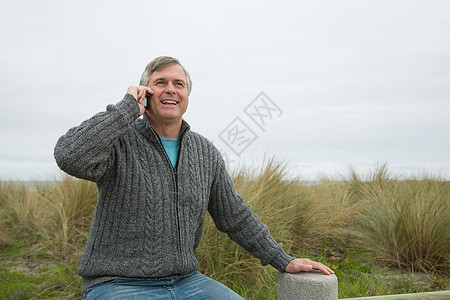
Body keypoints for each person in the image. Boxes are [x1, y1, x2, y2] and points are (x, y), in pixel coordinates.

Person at [54, 56, 334, 300]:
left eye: (179, 84)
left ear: (187, 95)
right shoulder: (119, 142)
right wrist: (127, 109)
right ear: (145, 92)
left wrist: (282, 259)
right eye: (160, 82)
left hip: (187, 282)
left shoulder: (204, 151)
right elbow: (69, 155)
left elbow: (234, 216)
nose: (170, 90)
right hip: (118, 283)